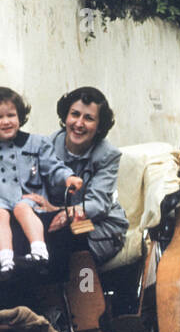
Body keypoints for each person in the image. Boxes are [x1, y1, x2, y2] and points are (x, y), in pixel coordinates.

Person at [0, 87, 81, 273]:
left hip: (31, 205)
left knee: (22, 206)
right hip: (1, 205)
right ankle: (6, 260)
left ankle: (39, 251)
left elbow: (54, 168)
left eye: (11, 115)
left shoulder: (37, 143)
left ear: (20, 117)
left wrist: (68, 177)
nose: (6, 121)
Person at [38, 86, 130, 266]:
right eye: (75, 114)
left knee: (66, 245)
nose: (79, 124)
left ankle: (83, 291)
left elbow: (98, 205)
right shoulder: (45, 147)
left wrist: (64, 213)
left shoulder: (108, 155)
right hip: (57, 224)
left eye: (88, 118)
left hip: (100, 226)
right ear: (65, 117)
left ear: (99, 126)